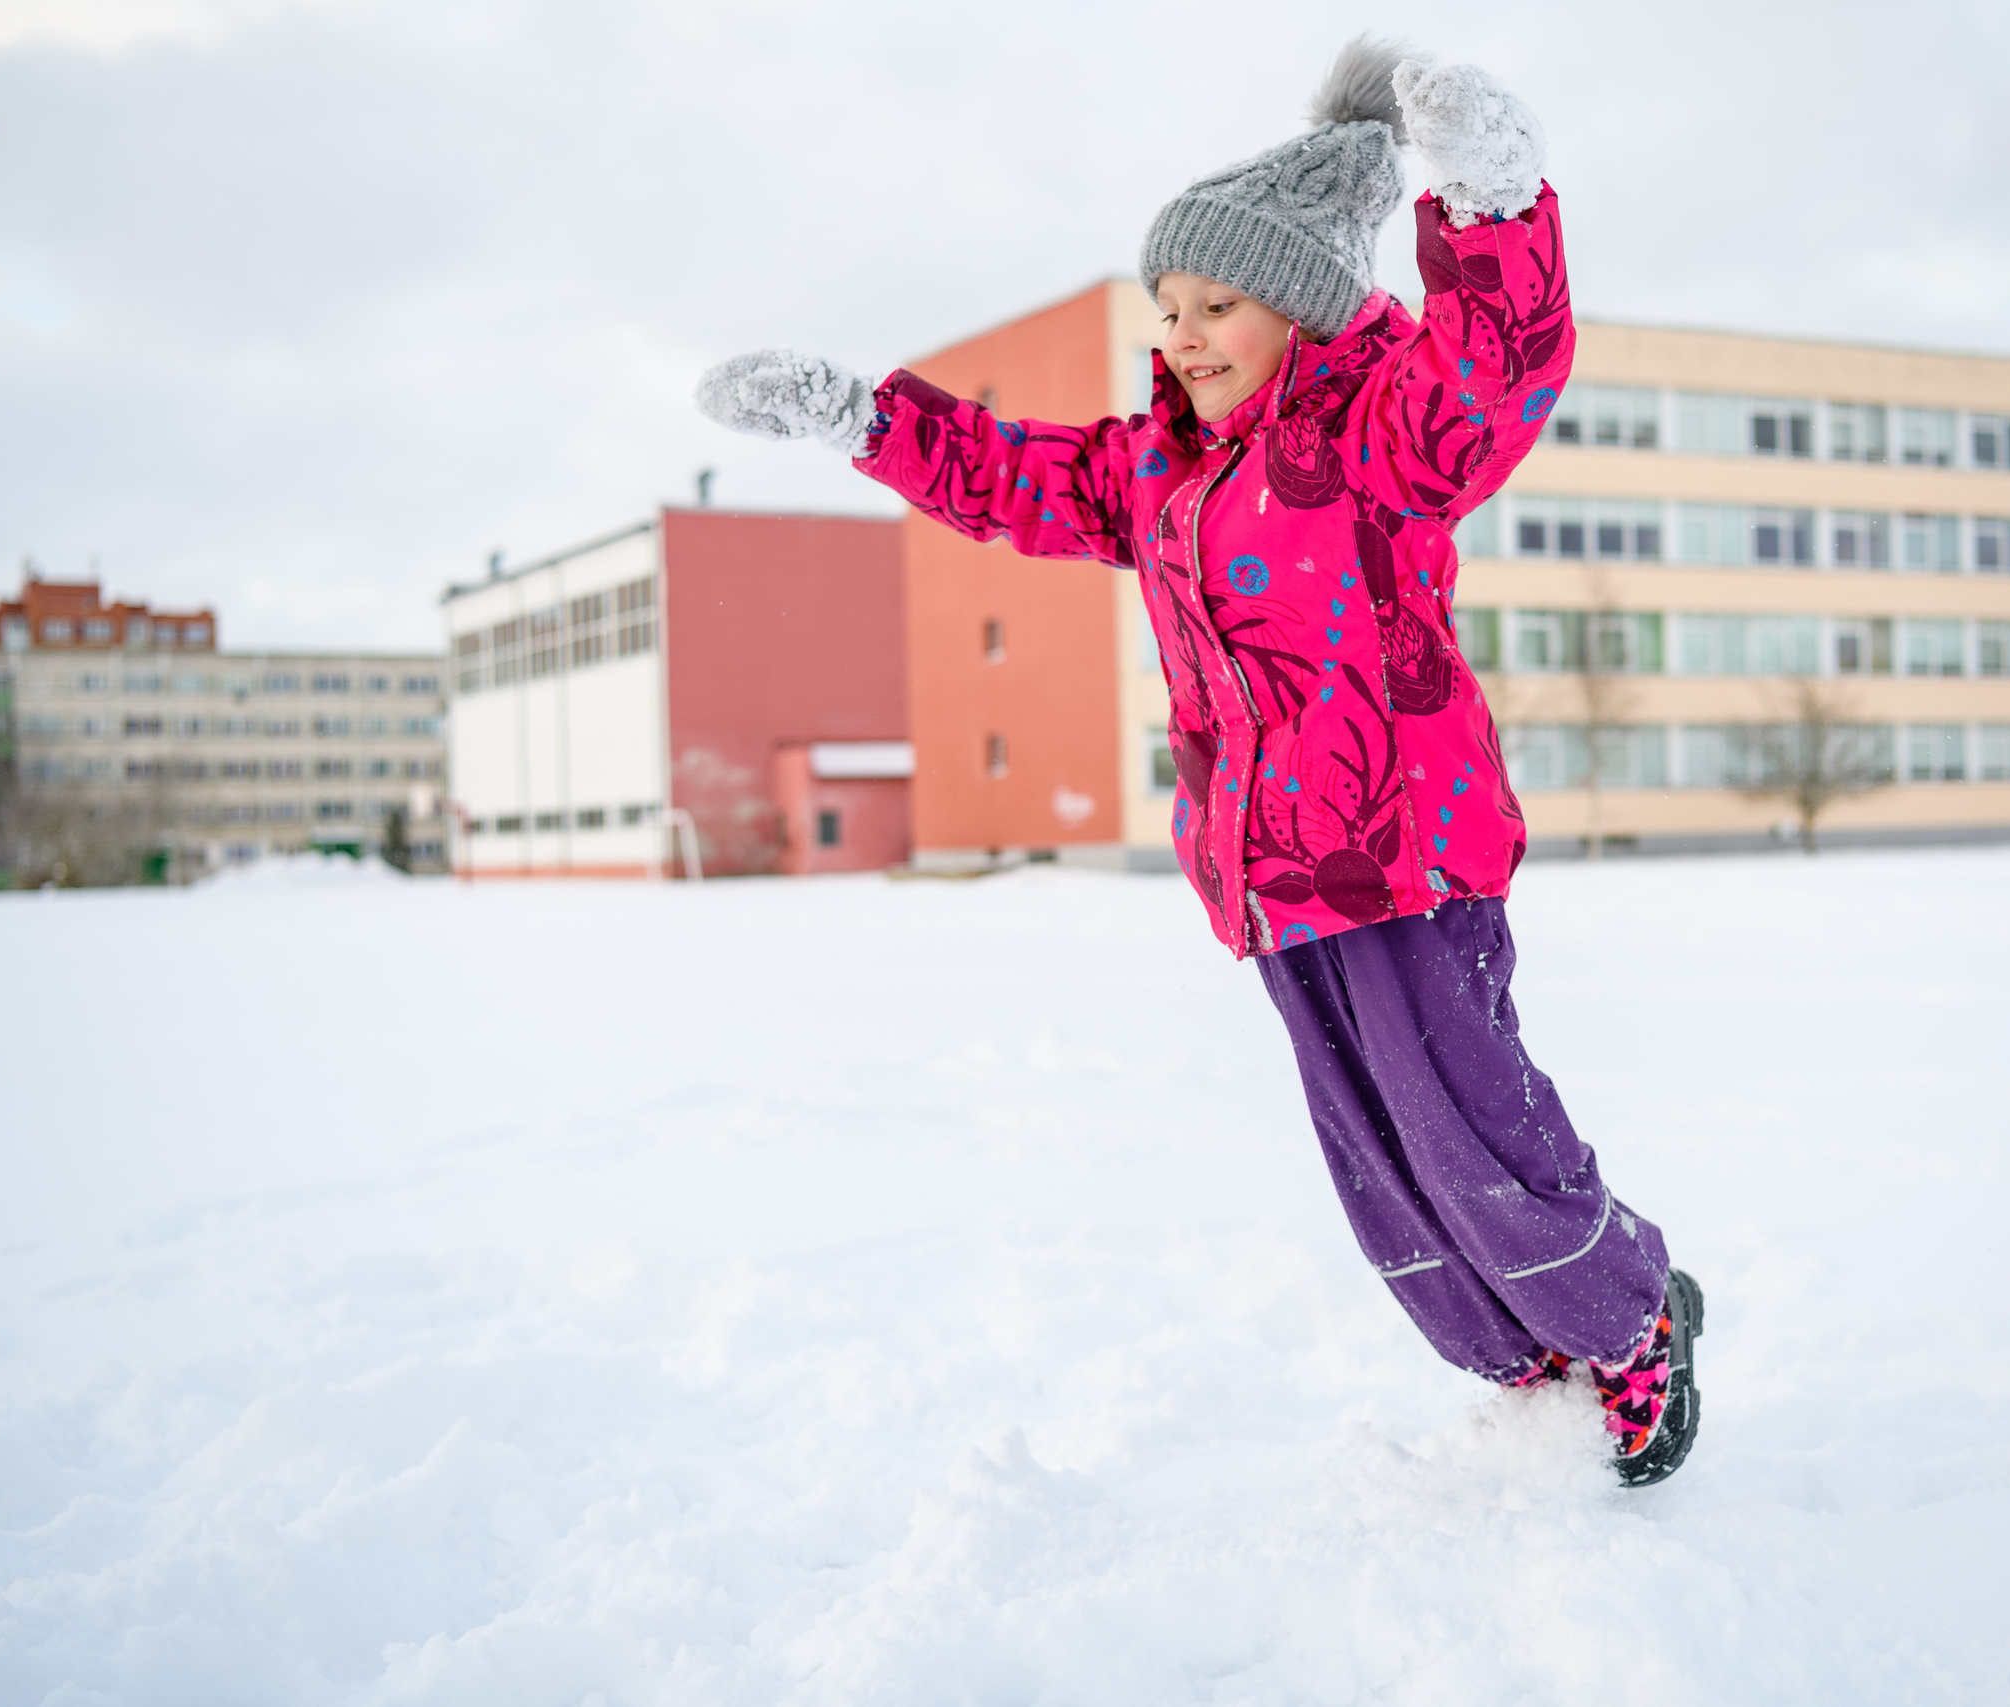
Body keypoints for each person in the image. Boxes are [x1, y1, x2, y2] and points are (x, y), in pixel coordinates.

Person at [696, 37, 1704, 1485]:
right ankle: (1531, 1365)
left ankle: (1629, 1325)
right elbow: (1008, 478)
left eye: (1215, 303)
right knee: (1390, 1179)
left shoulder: (1384, 433)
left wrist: (1490, 202)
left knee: (1470, 1127)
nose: (1180, 334)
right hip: (1274, 878)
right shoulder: (1158, 470)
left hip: (1406, 856)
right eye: (1167, 308)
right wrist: (862, 419)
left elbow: (1500, 362)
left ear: (1298, 307)